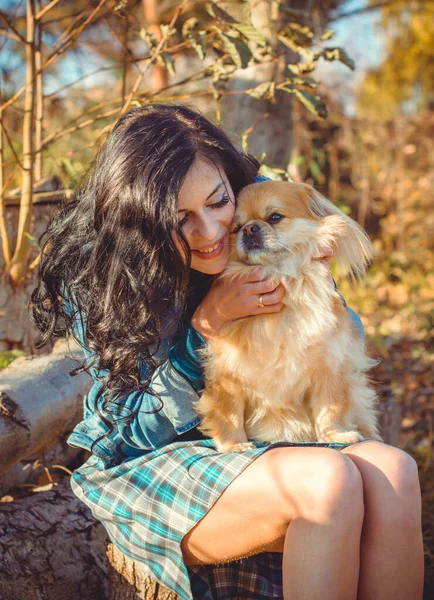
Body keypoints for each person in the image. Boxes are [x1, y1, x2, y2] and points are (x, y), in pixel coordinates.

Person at [31, 103, 424, 600]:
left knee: (395, 472)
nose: (212, 232)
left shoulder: (261, 211)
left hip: (266, 438)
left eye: (219, 203)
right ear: (141, 221)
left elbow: (344, 339)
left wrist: (311, 284)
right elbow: (129, 430)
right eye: (180, 220)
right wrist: (204, 329)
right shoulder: (104, 275)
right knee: (328, 483)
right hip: (156, 462)